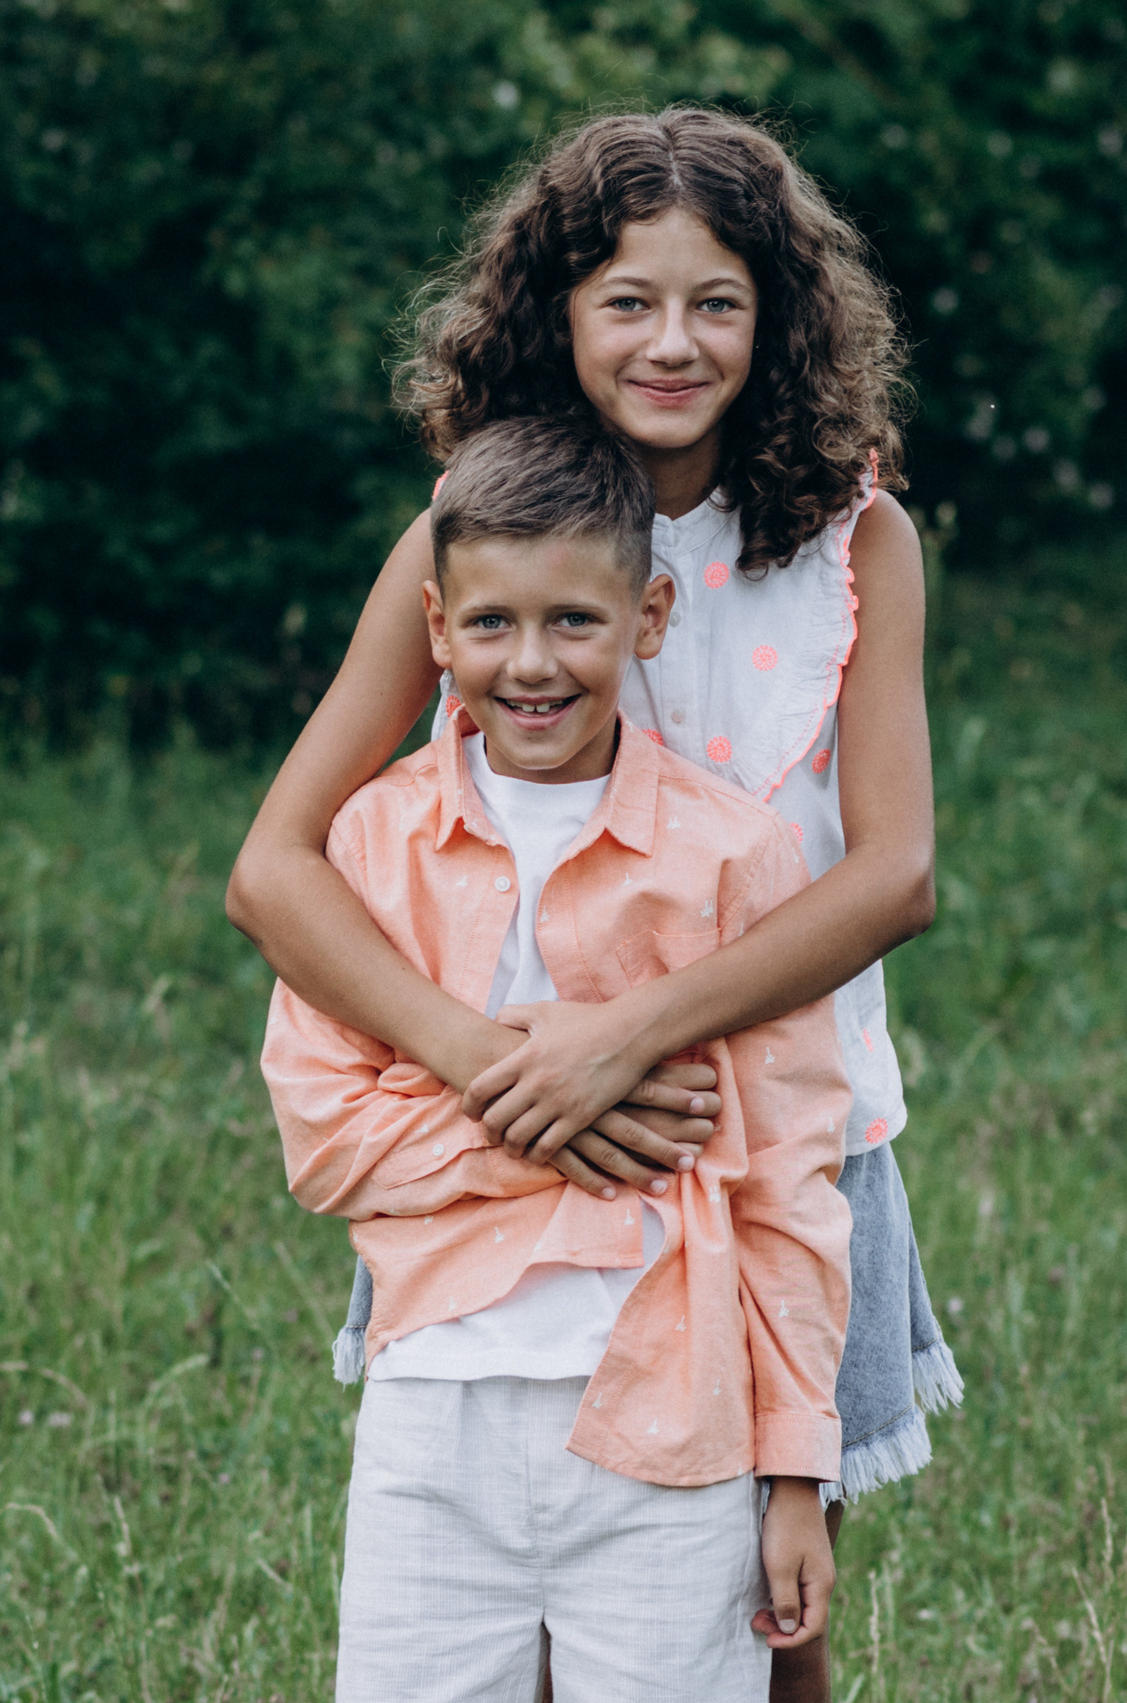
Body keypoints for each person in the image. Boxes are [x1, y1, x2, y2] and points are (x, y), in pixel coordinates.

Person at [227, 106, 959, 1702]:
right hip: (492, 1129)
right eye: (627, 299)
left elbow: (892, 871)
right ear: (556, 314)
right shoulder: (469, 542)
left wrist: (619, 1042)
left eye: (718, 302)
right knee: (514, 1582)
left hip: (764, 1138)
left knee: (773, 1608)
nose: (672, 342)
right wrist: (500, 1068)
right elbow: (275, 867)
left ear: (780, 318)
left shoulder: (852, 542)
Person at [263, 413, 854, 1701]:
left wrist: (799, 1473)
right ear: (436, 629)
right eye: (491, 626)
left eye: (574, 623)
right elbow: (324, 1134)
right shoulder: (375, 848)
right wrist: (558, 1119)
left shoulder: (732, 858)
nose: (531, 664)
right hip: (434, 1410)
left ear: (648, 619)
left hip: (673, 1420)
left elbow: (788, 1185)